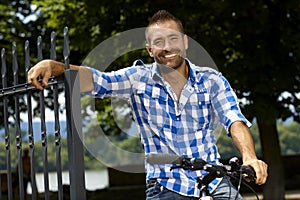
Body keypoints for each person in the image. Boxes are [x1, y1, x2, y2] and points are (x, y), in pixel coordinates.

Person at [28, 10, 268, 199]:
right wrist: (56, 66)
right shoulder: (137, 79)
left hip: (214, 181)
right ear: (150, 50)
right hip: (166, 186)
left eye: (173, 38)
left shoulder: (212, 80)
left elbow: (233, 118)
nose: (167, 47)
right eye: (159, 42)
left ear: (185, 42)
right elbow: (98, 81)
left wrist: (249, 157)